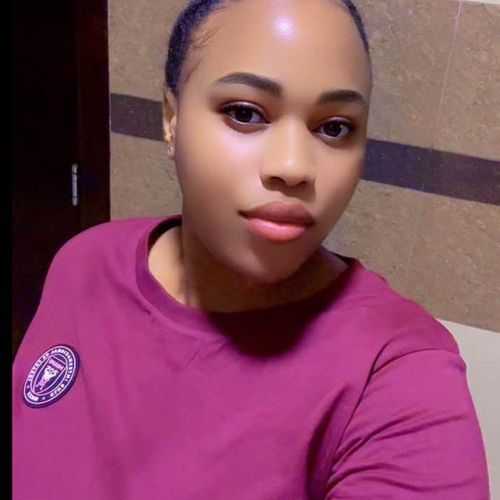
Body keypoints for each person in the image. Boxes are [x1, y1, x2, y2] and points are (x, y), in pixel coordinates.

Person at [13, 0, 491, 498]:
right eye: (245, 114)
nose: (293, 167)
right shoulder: (86, 263)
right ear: (172, 119)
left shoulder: (397, 371)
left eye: (334, 127)